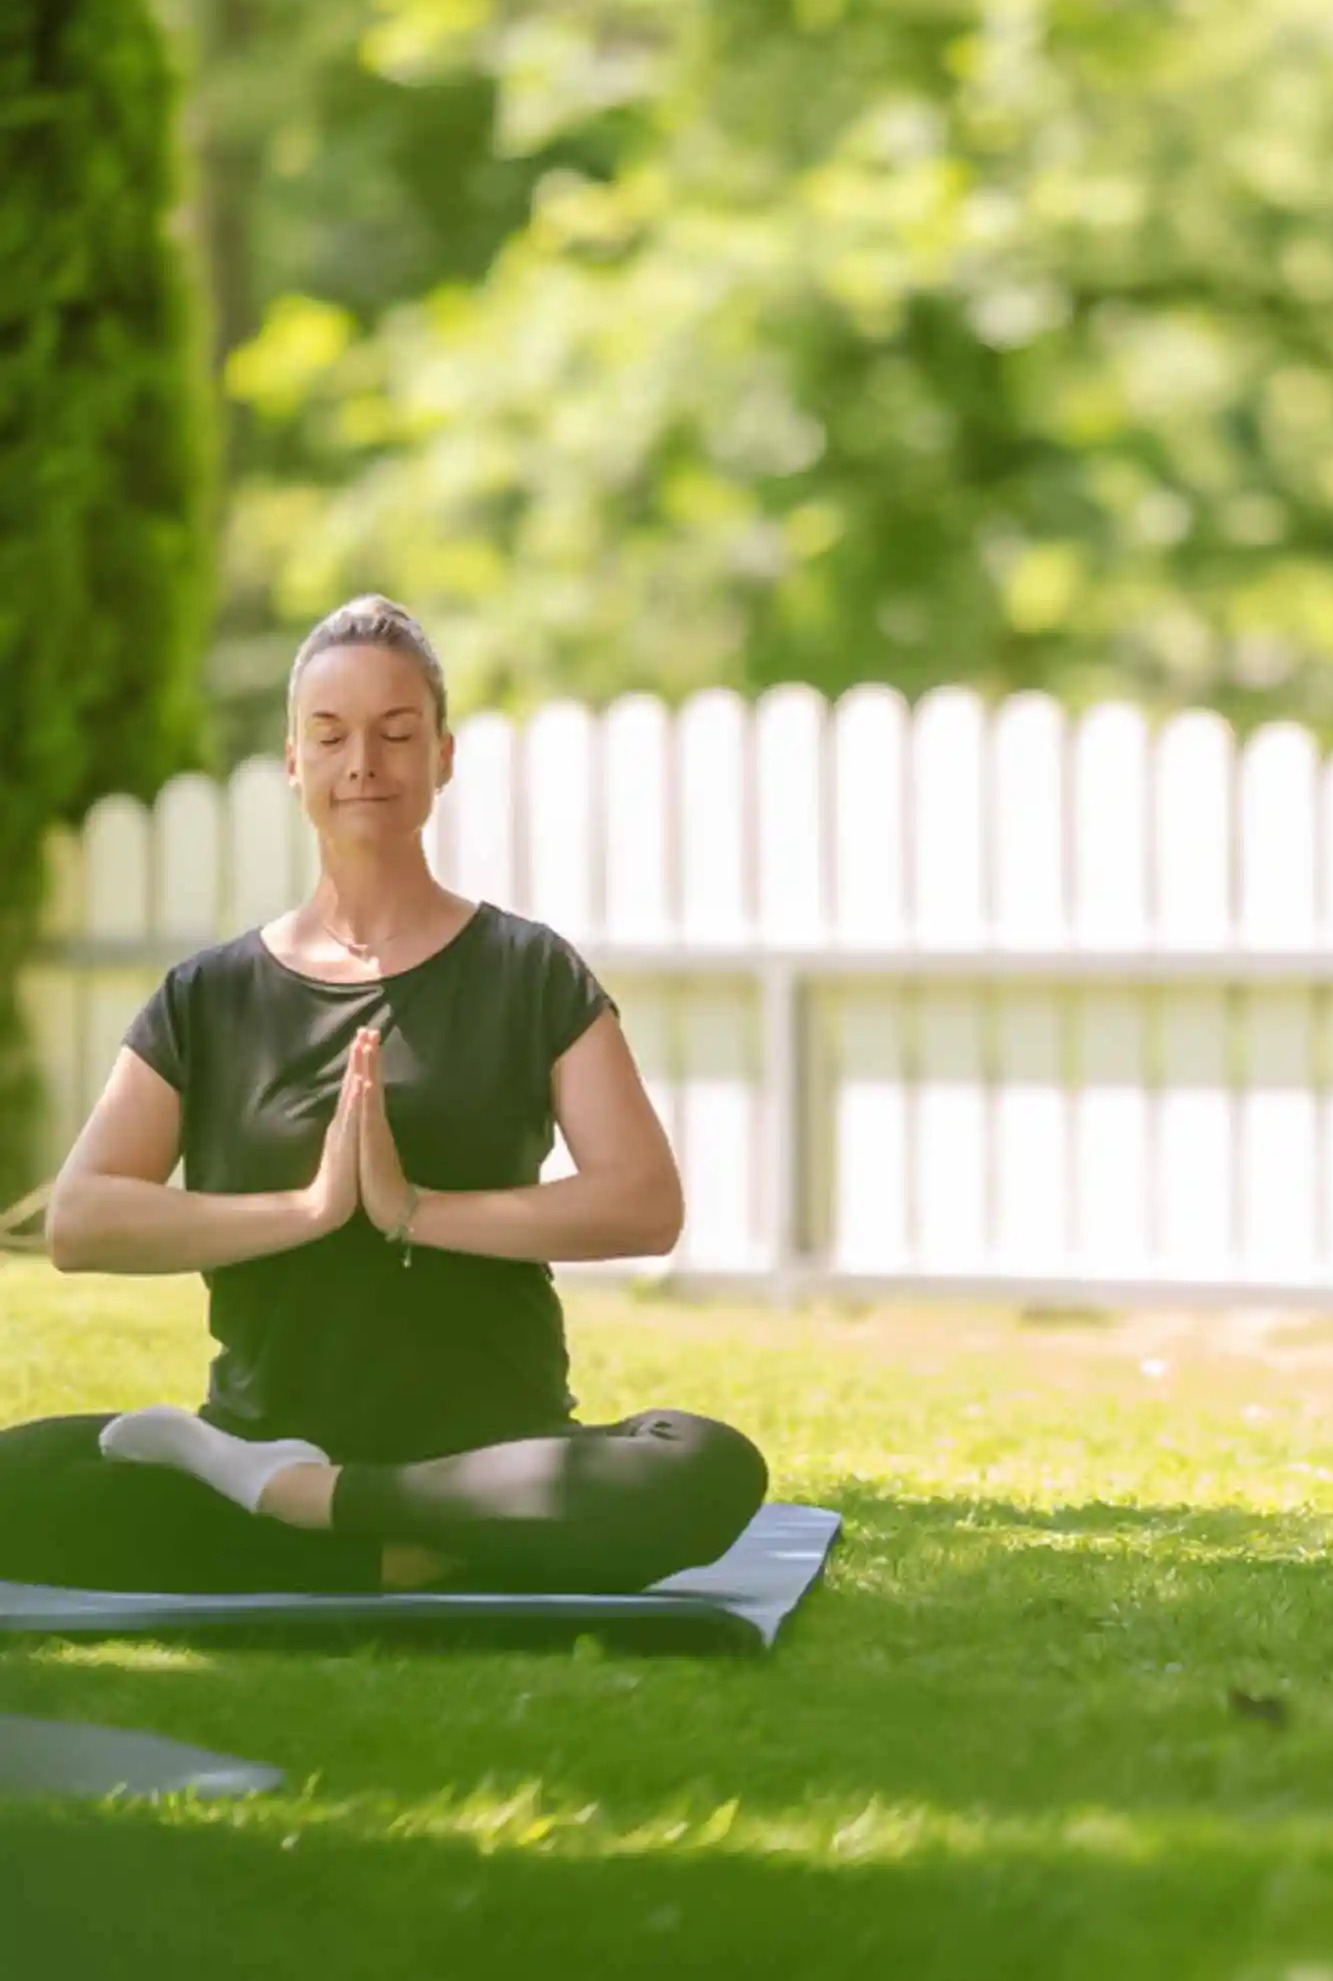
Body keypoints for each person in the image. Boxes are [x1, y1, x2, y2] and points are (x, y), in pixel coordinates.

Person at [14, 595, 768, 1596]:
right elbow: (81, 1219)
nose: (362, 761)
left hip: (494, 1454)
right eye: (329, 736)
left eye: (395, 733)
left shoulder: (527, 970)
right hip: (264, 1426)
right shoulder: (211, 996)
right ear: (293, 762)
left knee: (702, 1466)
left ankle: (312, 1512)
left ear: (443, 756)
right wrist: (311, 1209)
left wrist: (415, 1209)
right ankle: (392, 1538)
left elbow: (643, 1201)